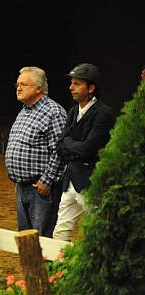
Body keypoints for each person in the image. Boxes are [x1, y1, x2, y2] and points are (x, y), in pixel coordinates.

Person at [52, 63, 115, 241]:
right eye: (72, 83)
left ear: (91, 88)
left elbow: (89, 149)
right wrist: (75, 146)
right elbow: (59, 146)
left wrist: (69, 143)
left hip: (90, 181)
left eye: (77, 83)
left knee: (98, 232)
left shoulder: (103, 113)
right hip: (70, 179)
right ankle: (58, 269)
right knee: (60, 232)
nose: (71, 87)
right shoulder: (72, 112)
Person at [5, 66, 67, 238]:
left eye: (24, 84)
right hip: (23, 187)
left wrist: (46, 182)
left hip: (41, 190)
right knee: (26, 239)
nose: (18, 88)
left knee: (42, 239)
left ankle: (45, 266)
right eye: (17, 84)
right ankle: (30, 266)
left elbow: (60, 151)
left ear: (39, 88)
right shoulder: (24, 111)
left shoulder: (53, 112)